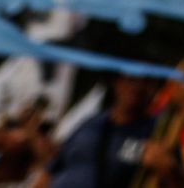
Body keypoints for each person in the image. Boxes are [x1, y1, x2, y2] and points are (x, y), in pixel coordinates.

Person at [36, 73, 172, 188]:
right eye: (131, 80)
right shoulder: (90, 124)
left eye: (146, 82)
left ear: (154, 89)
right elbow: (51, 170)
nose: (137, 87)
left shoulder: (154, 132)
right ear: (117, 82)